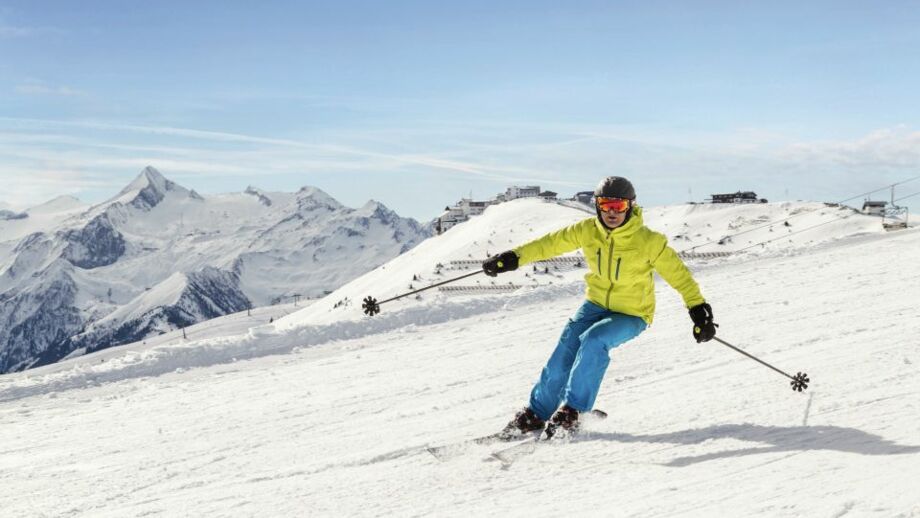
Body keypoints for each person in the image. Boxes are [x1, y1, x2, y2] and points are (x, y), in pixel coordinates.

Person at [482, 176, 717, 439]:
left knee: (594, 340)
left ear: (630, 206)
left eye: (618, 206)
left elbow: (679, 275)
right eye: (605, 205)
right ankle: (536, 414)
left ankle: (575, 411)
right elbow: (549, 244)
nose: (611, 212)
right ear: (597, 205)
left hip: (632, 313)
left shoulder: (648, 241)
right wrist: (514, 257)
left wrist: (698, 310)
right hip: (594, 305)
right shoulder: (587, 230)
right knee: (566, 349)